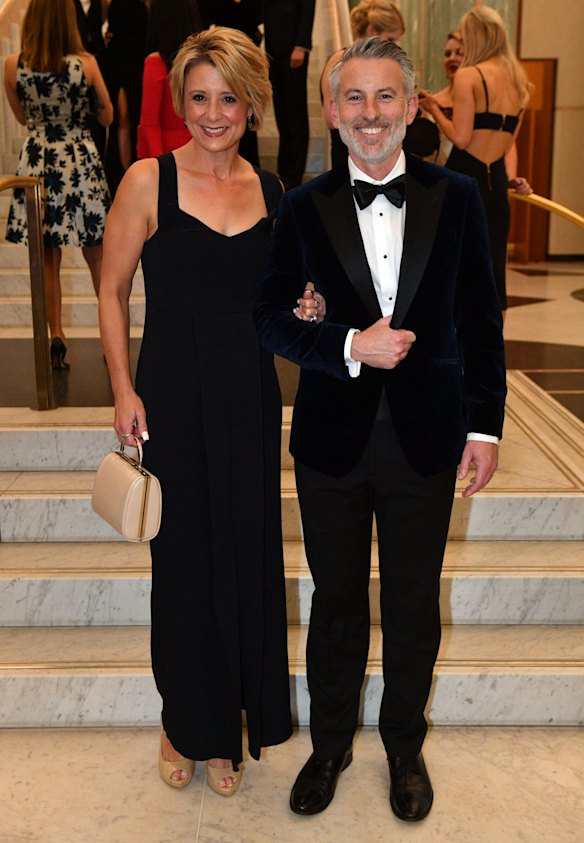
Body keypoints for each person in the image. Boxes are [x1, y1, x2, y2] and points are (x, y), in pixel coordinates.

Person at [255, 37, 506, 821]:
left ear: (412, 106)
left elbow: (481, 317)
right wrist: (343, 344)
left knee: (411, 602)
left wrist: (485, 427)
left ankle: (404, 745)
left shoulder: (456, 195)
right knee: (335, 600)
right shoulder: (302, 205)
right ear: (332, 111)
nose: (370, 113)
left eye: (385, 96)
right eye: (355, 98)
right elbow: (270, 317)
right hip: (332, 438)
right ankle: (329, 744)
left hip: (427, 434)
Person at [99, 26, 296, 796]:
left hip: (249, 393)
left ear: (252, 105)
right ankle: (184, 720)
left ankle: (229, 725)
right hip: (173, 393)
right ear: (182, 103)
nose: (214, 114)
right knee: (182, 563)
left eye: (229, 98)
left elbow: (286, 300)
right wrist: (123, 388)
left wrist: (309, 306)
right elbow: (113, 288)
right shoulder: (147, 181)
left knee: (245, 554)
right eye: (200, 97)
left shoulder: (274, 192)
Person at [4, 0, 113, 369]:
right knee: (97, 254)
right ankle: (109, 336)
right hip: (78, 159)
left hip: (38, 162)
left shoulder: (13, 65)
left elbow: (22, 118)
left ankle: (57, 334)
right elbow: (107, 115)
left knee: (47, 255)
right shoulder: (86, 64)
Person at [418, 5, 532, 312]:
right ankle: (493, 338)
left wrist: (434, 109)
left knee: (453, 267)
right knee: (494, 272)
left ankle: (454, 337)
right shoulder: (519, 82)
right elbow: (508, 144)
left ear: (476, 36)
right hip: (496, 183)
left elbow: (461, 138)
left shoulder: (470, 75)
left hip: (463, 176)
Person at [320, 0, 405, 167]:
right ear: (371, 30)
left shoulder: (379, 64)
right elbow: (331, 118)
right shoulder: (341, 60)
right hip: (349, 156)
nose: (394, 46)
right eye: (390, 39)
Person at [136, 0, 203, 158]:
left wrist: (158, 164)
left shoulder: (157, 63)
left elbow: (149, 124)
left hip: (170, 152)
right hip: (202, 146)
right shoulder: (203, 61)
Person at [263, 0, 315, 188]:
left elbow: (308, 8)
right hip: (272, 49)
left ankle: (295, 175)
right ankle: (284, 171)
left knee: (295, 113)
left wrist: (301, 45)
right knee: (281, 113)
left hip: (293, 49)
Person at [103, 0, 149, 192]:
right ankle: (122, 177)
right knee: (122, 117)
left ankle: (136, 172)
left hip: (140, 58)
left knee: (138, 116)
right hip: (116, 59)